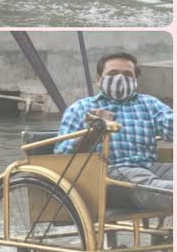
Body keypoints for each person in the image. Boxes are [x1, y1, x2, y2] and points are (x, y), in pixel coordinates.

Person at [55, 52, 173, 211]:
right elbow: (61, 155)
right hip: (110, 173)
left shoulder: (149, 104)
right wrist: (94, 131)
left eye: (127, 74)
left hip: (150, 166)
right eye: (112, 73)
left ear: (135, 81)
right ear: (98, 79)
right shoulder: (81, 108)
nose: (120, 78)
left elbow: (169, 122)